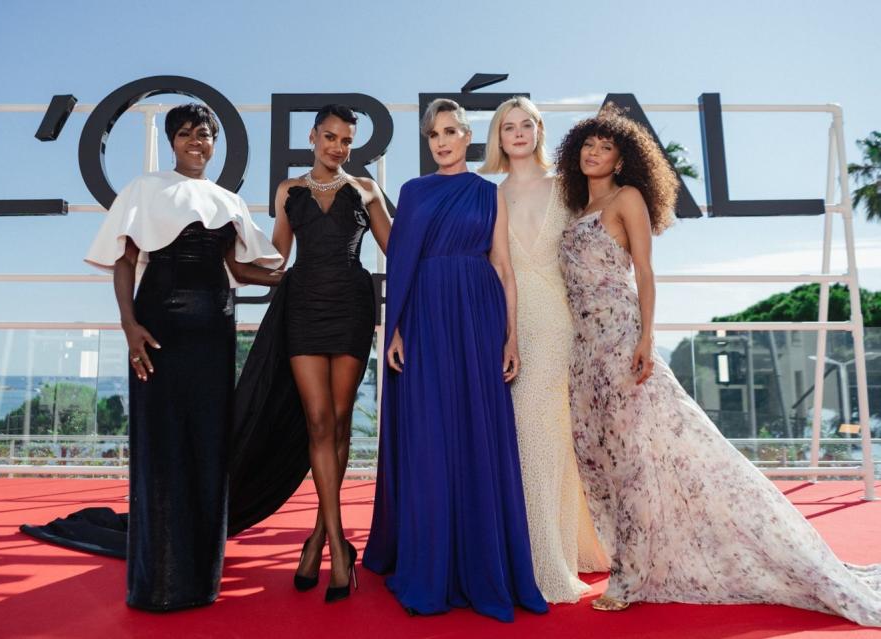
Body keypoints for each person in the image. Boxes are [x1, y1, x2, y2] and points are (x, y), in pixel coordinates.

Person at [557, 108, 881, 625]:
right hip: (583, 354)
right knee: (603, 464)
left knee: (639, 462)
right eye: (587, 145)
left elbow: (644, 272)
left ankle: (630, 576)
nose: (594, 153)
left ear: (622, 159)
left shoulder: (627, 200)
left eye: (605, 146)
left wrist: (645, 338)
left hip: (621, 343)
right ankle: (633, 560)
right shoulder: (575, 211)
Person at [81, 103, 283, 611]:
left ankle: (200, 577)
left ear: (215, 143)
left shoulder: (227, 199)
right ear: (172, 141)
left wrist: (292, 279)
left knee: (209, 446)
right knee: (161, 445)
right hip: (159, 329)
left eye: (206, 134)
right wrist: (129, 326)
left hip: (216, 331)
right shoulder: (144, 189)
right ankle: (160, 581)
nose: (198, 141)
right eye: (188, 133)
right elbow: (125, 260)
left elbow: (237, 265)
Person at [363, 98, 548, 622]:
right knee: (430, 437)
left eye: (450, 132)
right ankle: (431, 562)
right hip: (424, 317)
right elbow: (399, 263)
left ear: (467, 136)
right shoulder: (414, 193)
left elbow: (504, 267)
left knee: (476, 434)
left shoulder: (489, 195)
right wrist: (394, 327)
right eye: (433, 135)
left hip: (477, 317)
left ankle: (480, 561)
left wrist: (511, 337)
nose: (441, 141)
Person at [232, 104, 390, 603]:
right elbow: (279, 258)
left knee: (341, 421)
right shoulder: (288, 191)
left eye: (345, 140)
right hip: (302, 307)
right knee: (318, 421)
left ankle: (322, 537)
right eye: (330, 136)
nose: (337, 147)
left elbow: (398, 246)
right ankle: (338, 548)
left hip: (349, 306)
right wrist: (231, 257)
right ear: (313, 136)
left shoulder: (365, 190)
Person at [478, 97, 608, 604]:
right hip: (513, 322)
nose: (517, 133)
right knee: (535, 430)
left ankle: (550, 558)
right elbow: (499, 270)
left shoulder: (567, 189)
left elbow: (593, 250)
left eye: (525, 124)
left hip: (564, 320)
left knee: (550, 429)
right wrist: (507, 334)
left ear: (539, 129)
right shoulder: (490, 196)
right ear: (498, 136)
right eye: (507, 127)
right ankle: (541, 550)